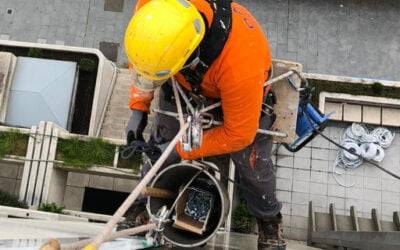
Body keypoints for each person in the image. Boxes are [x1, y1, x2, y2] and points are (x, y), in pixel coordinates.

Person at [123, 0, 285, 249]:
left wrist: (182, 150)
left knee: (252, 166)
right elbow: (146, 61)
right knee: (158, 151)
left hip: (236, 99)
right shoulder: (155, 12)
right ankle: (138, 206)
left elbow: (239, 134)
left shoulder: (241, 63)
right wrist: (138, 108)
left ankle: (268, 221)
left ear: (192, 52)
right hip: (183, 84)